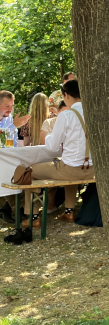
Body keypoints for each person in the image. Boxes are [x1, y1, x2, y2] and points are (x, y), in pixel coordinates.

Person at [21, 79, 93, 227]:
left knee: (28, 170)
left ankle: (33, 216)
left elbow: (52, 147)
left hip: (71, 171)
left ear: (66, 95)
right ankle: (69, 212)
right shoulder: (92, 112)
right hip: (92, 170)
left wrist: (47, 136)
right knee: (68, 165)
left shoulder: (66, 115)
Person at [0, 91, 30, 222]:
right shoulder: (11, 122)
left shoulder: (10, 118)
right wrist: (13, 127)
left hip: (7, 157)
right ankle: (18, 210)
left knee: (24, 172)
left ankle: (19, 209)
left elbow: (12, 142)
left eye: (12, 105)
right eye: (7, 106)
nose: (10, 109)